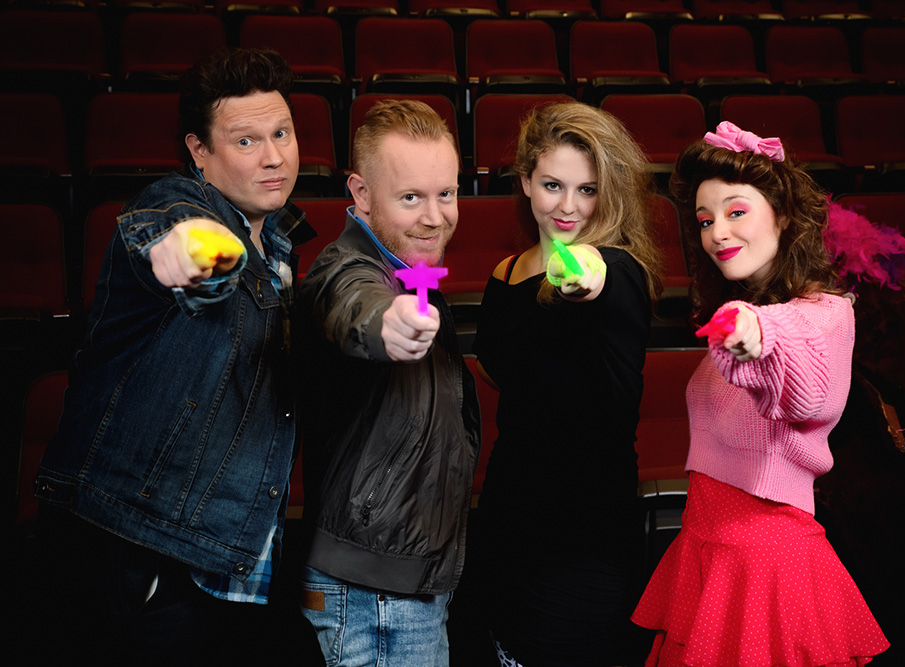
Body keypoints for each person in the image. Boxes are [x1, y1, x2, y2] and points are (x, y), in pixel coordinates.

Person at [29, 48, 314, 665]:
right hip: (140, 558)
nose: (274, 156)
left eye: (282, 133)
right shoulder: (173, 203)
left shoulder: (283, 246)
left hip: (226, 564)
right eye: (246, 140)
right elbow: (177, 234)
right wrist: (190, 253)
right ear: (199, 152)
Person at [631, 122, 890, 667]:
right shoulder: (743, 305)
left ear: (785, 216)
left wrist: (754, 336)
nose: (717, 233)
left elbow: (805, 390)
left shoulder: (821, 315)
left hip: (765, 557)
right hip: (707, 540)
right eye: (705, 220)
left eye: (736, 211)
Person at [467, 101, 663, 667]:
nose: (570, 206)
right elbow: (496, 367)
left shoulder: (615, 267)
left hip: (585, 529)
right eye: (553, 185)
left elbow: (590, 277)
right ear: (526, 181)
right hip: (508, 511)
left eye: (588, 190)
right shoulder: (505, 274)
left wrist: (578, 276)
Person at [294, 99, 481, 667]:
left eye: (445, 194)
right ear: (361, 195)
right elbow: (354, 305)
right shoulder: (345, 269)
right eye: (410, 198)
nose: (434, 216)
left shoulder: (411, 268)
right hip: (375, 599)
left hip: (400, 587)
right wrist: (388, 324)